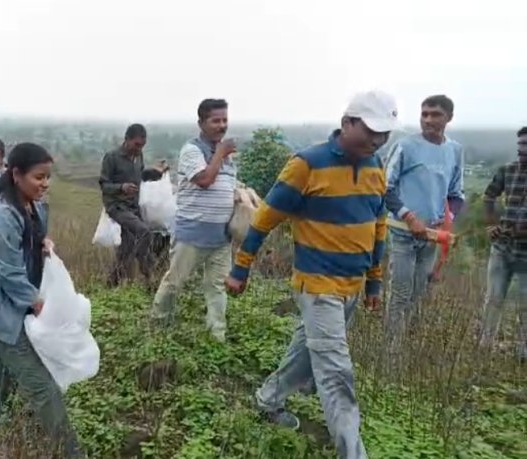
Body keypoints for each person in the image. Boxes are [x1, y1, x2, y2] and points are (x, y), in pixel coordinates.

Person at [226, 90, 398, 459]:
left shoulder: (376, 166)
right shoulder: (308, 163)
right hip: (318, 286)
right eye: (370, 131)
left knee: (307, 352)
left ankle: (267, 400)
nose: (376, 140)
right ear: (347, 123)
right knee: (337, 374)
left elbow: (378, 224)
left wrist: (374, 281)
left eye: (383, 134)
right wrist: (241, 267)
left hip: (352, 285)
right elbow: (265, 217)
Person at [0, 143, 83, 459]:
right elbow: (10, 273)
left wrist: (43, 242)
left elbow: (29, 242)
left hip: (11, 311)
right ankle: (73, 454)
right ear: (16, 175)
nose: (45, 183)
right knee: (43, 388)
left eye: (47, 177)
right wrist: (40, 305)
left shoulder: (31, 207)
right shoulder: (2, 215)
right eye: (38, 177)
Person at [150, 100, 237, 342]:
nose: (222, 125)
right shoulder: (192, 150)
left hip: (221, 237)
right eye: (216, 120)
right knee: (175, 282)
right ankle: (158, 324)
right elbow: (205, 180)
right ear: (201, 123)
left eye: (225, 120)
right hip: (192, 235)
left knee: (217, 287)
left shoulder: (227, 158)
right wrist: (220, 153)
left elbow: (225, 186)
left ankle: (216, 335)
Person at [383, 94, 465, 347]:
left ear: (448, 118)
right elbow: (385, 187)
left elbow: (456, 194)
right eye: (424, 114)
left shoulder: (454, 150)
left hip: (430, 236)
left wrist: (446, 218)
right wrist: (408, 216)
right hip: (402, 233)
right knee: (400, 295)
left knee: (419, 294)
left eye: (435, 115)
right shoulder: (406, 146)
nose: (428, 120)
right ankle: (390, 358)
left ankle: (408, 349)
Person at [479, 126, 527, 364]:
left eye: (526, 145)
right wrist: (490, 225)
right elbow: (488, 196)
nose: (522, 150)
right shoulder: (507, 171)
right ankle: (485, 347)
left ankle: (523, 355)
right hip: (502, 248)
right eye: (520, 144)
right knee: (494, 298)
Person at [99, 124, 166, 288]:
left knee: (126, 249)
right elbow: (104, 184)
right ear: (127, 139)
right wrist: (121, 187)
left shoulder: (139, 156)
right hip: (117, 207)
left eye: (142, 146)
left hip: (133, 206)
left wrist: (157, 172)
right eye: (136, 145)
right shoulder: (112, 157)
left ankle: (111, 284)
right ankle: (148, 274)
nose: (139, 149)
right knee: (143, 231)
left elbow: (140, 175)